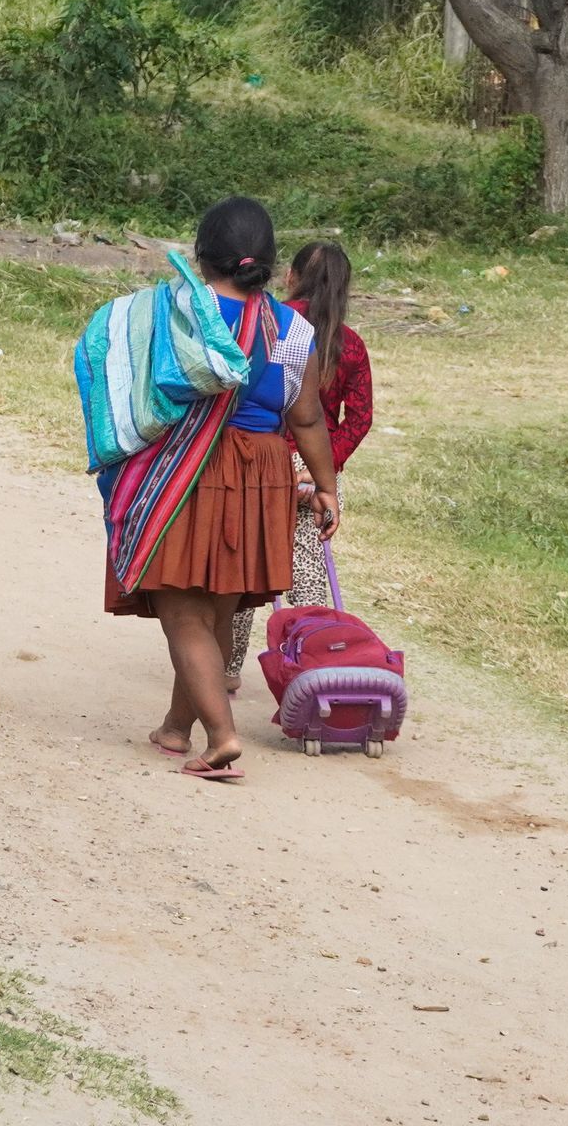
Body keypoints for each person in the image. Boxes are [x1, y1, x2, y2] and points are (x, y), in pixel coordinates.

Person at [103, 197, 340, 781]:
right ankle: (174, 727)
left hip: (188, 466)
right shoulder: (294, 329)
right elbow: (307, 416)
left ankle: (221, 738)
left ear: (201, 256)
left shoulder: (176, 311)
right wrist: (327, 487)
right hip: (261, 473)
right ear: (269, 262)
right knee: (213, 614)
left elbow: (125, 372)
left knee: (184, 614)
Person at [224, 240, 374, 694]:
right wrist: (322, 468)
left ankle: (227, 669)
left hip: (264, 461)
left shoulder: (273, 326)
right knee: (309, 571)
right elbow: (359, 418)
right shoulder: (350, 345)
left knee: (245, 569)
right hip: (317, 470)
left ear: (290, 277)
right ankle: (313, 665)